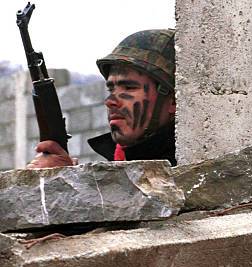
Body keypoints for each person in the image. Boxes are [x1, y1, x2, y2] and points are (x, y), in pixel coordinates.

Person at [26, 29, 177, 168]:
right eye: (111, 88)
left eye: (129, 88)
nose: (110, 102)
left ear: (173, 101)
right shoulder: (121, 162)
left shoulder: (186, 170)